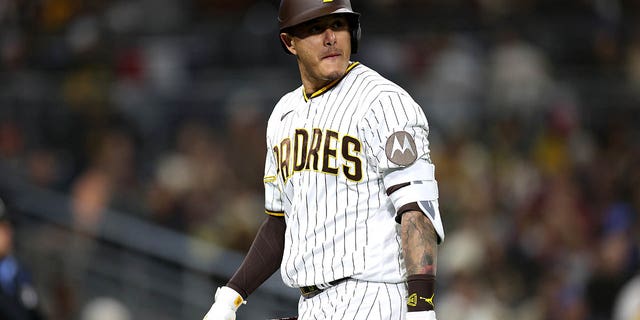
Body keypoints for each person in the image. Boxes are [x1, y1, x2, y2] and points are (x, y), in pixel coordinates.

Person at [203, 0, 445, 319]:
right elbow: (279, 224)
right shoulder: (283, 116)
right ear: (290, 42)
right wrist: (230, 297)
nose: (331, 37)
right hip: (311, 304)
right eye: (316, 29)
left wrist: (421, 308)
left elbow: (417, 211)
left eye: (339, 25)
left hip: (375, 296)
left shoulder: (384, 103)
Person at [0, 197, 46, 320]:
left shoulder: (17, 269)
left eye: (7, 226)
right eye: (1, 227)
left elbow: (33, 309)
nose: (8, 233)